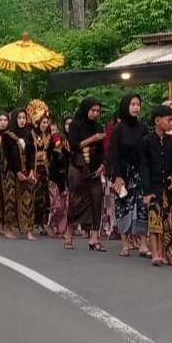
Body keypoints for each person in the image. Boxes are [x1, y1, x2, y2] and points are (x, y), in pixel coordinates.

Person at [64, 97, 107, 252]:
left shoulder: (97, 125)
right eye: (92, 110)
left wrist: (103, 164)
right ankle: (69, 234)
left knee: (97, 200)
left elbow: (102, 149)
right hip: (78, 166)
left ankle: (94, 237)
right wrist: (93, 138)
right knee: (76, 201)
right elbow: (74, 145)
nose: (95, 114)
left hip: (94, 167)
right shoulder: (76, 124)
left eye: (97, 111)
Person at [109, 94, 148, 257]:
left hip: (140, 173)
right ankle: (125, 243)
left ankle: (143, 244)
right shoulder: (118, 128)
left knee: (142, 207)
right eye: (132, 104)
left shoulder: (143, 128)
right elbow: (113, 154)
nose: (136, 107)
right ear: (126, 106)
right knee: (123, 207)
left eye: (138, 104)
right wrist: (117, 175)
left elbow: (146, 153)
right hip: (123, 174)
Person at [141, 105, 172, 266]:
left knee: (167, 221)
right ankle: (155, 253)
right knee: (155, 221)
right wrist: (147, 190)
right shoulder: (147, 141)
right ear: (157, 121)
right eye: (168, 120)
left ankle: (164, 253)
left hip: (168, 187)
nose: (171, 122)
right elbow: (144, 167)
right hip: (154, 187)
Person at [3, 109, 37, 241]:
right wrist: (17, 171)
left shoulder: (29, 135)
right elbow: (8, 156)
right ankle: (8, 228)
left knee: (28, 201)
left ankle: (28, 230)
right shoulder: (8, 135)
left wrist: (31, 171)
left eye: (24, 118)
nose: (22, 120)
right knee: (11, 200)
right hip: (12, 172)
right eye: (20, 118)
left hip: (27, 172)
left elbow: (32, 154)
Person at [28, 101, 53, 237]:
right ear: (36, 122)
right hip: (34, 168)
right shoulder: (29, 134)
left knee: (45, 196)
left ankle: (43, 223)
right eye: (42, 122)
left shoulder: (48, 136)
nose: (45, 125)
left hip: (45, 168)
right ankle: (32, 222)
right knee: (35, 196)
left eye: (46, 122)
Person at [47, 118, 71, 238]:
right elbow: (55, 172)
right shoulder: (54, 156)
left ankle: (61, 229)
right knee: (56, 206)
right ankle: (51, 225)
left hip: (63, 181)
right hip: (55, 182)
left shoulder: (65, 154)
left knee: (64, 207)